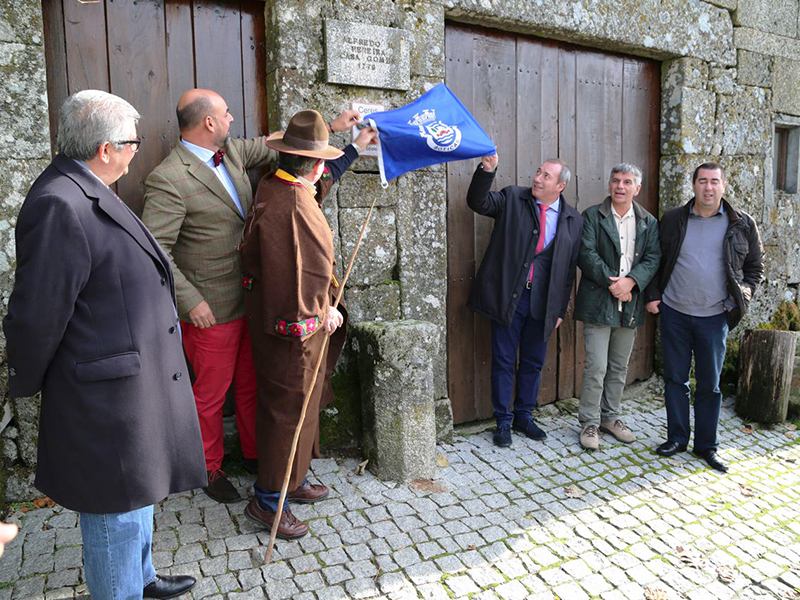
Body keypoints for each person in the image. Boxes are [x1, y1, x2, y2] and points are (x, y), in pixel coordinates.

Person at [3, 90, 206, 599]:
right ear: (105, 148)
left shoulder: (89, 186)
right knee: (114, 510)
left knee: (135, 495)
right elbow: (37, 312)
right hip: (103, 393)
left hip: (128, 386)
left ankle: (142, 579)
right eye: (132, 142)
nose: (138, 151)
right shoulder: (59, 203)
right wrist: (24, 381)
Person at [142, 89, 362, 503]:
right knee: (210, 394)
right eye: (226, 114)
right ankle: (207, 467)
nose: (231, 120)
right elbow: (154, 251)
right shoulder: (169, 178)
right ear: (208, 122)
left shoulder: (233, 153)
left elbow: (277, 144)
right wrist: (191, 301)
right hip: (213, 307)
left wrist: (329, 130)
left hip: (256, 302)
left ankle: (265, 463)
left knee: (253, 387)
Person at [239, 110, 377, 539]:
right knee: (288, 412)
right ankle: (267, 501)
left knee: (293, 406)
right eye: (323, 163)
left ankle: (292, 482)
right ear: (314, 165)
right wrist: (323, 313)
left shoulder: (274, 181)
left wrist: (351, 148)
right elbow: (303, 275)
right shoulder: (296, 205)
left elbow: (315, 184)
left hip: (271, 320)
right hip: (293, 329)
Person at [645, 162, 763, 472]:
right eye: (702, 181)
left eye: (714, 182)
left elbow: (754, 270)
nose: (708, 188)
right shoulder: (673, 219)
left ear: (724, 186)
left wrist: (737, 302)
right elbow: (656, 260)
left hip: (714, 316)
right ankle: (677, 438)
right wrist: (654, 296)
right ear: (693, 185)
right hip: (675, 312)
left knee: (709, 384)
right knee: (675, 379)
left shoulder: (742, 224)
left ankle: (707, 446)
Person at [467, 154, 583, 447]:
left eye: (546, 176)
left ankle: (524, 417)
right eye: (538, 171)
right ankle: (503, 421)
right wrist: (488, 170)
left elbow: (568, 270)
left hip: (544, 304)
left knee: (532, 361)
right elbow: (477, 202)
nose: (537, 178)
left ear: (560, 186)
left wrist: (559, 309)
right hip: (510, 298)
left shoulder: (572, 220)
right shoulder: (513, 199)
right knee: (504, 360)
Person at [573, 164, 660, 450]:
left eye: (627, 182)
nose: (620, 186)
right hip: (600, 301)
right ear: (610, 185)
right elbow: (586, 254)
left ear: (637, 188)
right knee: (597, 366)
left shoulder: (648, 221)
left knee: (619, 366)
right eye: (616, 181)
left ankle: (611, 418)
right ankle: (589, 423)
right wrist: (615, 283)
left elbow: (652, 258)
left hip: (630, 304)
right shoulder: (592, 216)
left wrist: (632, 282)